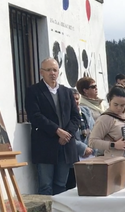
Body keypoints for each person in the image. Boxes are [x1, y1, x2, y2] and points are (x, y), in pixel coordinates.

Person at [25, 58, 80, 195]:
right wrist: (57, 131)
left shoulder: (67, 92)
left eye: (55, 70)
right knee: (45, 186)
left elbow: (75, 117)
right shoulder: (34, 91)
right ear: (41, 72)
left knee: (61, 185)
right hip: (45, 145)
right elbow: (35, 116)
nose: (52, 73)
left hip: (65, 145)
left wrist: (67, 134)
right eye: (48, 70)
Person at [88, 86, 125, 187]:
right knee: (122, 194)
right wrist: (114, 145)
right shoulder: (105, 118)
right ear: (109, 101)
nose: (119, 108)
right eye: (116, 104)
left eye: (122, 105)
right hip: (117, 161)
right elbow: (92, 141)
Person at [65, 89, 95, 190]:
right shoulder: (65, 115)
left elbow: (94, 129)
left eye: (77, 99)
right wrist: (83, 148)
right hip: (74, 155)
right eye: (73, 99)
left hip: (90, 154)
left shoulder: (86, 111)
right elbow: (67, 135)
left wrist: (90, 147)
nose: (76, 101)